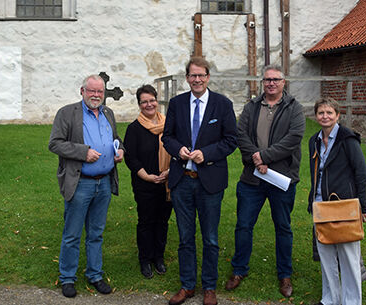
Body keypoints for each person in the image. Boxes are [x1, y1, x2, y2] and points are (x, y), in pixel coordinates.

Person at [162, 57, 237, 305]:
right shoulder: (176, 103)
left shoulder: (222, 104)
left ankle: (209, 287)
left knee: (210, 238)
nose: (197, 80)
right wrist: (177, 150)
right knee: (185, 237)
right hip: (182, 179)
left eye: (201, 75)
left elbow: (230, 140)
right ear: (187, 78)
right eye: (192, 76)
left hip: (210, 181)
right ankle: (187, 286)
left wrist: (208, 153)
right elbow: (167, 136)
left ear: (207, 77)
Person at [225, 64, 305, 298]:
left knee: (283, 227)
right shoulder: (251, 106)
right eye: (267, 79)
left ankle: (285, 274)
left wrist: (265, 156)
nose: (271, 83)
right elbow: (241, 135)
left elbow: (294, 138)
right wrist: (256, 159)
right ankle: (239, 270)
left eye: (275, 79)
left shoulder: (294, 108)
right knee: (243, 226)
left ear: (283, 82)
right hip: (252, 179)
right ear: (263, 82)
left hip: (281, 179)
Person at [48, 74, 124, 298]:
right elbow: (55, 143)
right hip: (81, 183)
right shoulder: (67, 113)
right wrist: (83, 152)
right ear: (82, 91)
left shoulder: (108, 113)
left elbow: (117, 139)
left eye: (100, 91)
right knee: (72, 233)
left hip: (104, 183)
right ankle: (68, 278)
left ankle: (95, 274)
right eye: (92, 91)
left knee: (96, 233)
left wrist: (120, 152)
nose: (96, 95)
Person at [307, 97, 366, 305]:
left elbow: (361, 173)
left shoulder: (347, 139)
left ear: (337, 115)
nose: (325, 116)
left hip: (345, 206)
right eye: (321, 113)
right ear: (316, 116)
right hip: (321, 205)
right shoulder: (314, 141)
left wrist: (363, 206)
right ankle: (330, 299)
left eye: (329, 113)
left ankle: (351, 301)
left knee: (349, 259)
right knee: (326, 257)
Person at [123, 84, 172, 279]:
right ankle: (145, 259)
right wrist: (146, 176)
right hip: (145, 183)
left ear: (157, 101)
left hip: (167, 182)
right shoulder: (134, 129)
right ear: (139, 104)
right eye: (145, 101)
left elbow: (177, 150)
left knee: (162, 221)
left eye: (152, 100)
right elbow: (131, 157)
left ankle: (158, 257)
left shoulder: (169, 125)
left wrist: (169, 172)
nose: (149, 104)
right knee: (146, 222)